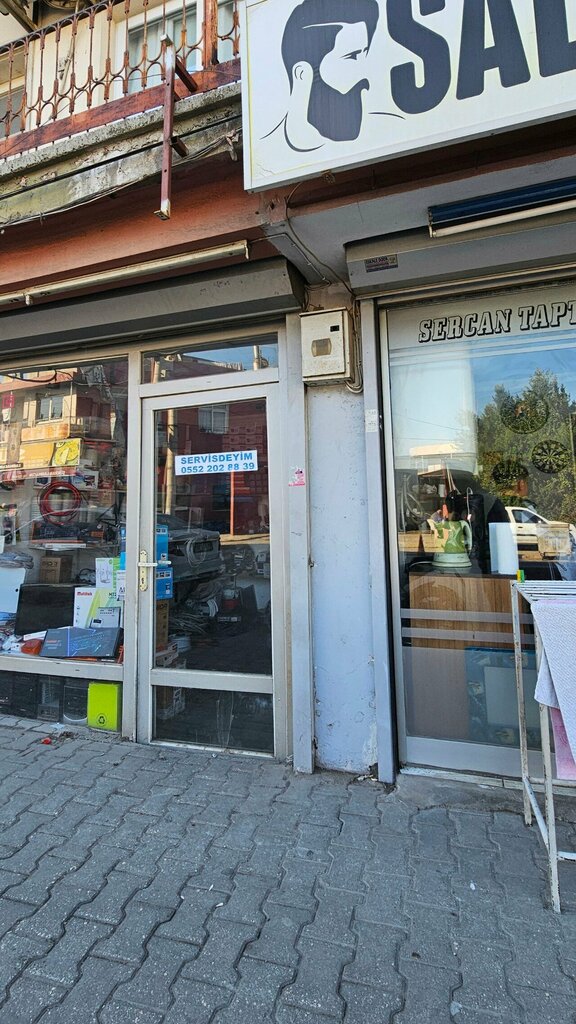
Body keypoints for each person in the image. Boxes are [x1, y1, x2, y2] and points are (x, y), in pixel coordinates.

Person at [264, 0, 380, 153]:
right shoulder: (266, 152)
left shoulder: (376, 139)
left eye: (364, 55)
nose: (365, 78)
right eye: (352, 57)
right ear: (302, 74)